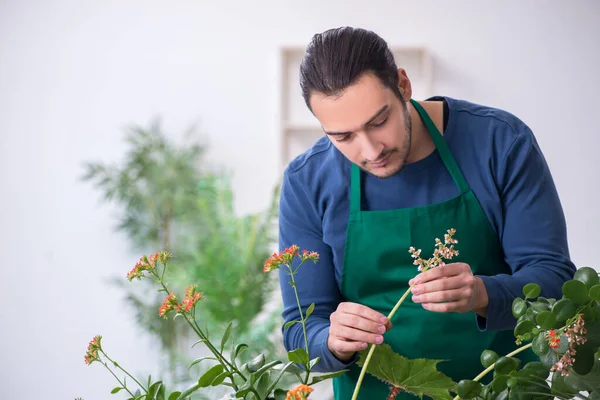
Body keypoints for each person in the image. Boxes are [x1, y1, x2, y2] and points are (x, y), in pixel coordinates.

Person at [276, 26, 576, 399]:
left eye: (378, 121)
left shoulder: (500, 143)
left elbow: (556, 281)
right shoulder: (308, 182)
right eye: (343, 137)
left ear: (403, 84)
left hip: (501, 389)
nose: (370, 151)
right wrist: (331, 340)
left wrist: (484, 293)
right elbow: (301, 331)